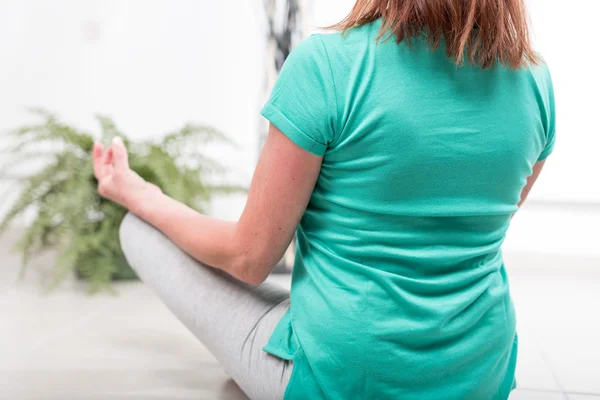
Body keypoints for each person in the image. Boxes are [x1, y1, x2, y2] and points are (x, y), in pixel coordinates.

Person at [92, 0, 555, 398]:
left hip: (347, 379)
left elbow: (250, 257)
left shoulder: (329, 65)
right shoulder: (535, 82)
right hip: (480, 376)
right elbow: (482, 222)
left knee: (140, 228)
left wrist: (139, 192)